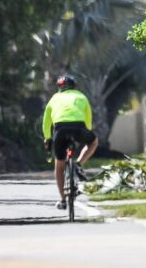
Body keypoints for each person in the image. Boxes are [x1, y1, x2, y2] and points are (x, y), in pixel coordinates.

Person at [42, 75, 99, 210]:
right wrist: (86, 132)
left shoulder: (54, 98)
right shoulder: (81, 96)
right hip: (79, 127)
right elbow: (88, 117)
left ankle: (62, 200)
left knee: (59, 164)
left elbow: (46, 122)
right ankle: (78, 164)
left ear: (59, 87)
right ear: (74, 86)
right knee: (94, 142)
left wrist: (47, 138)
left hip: (60, 129)